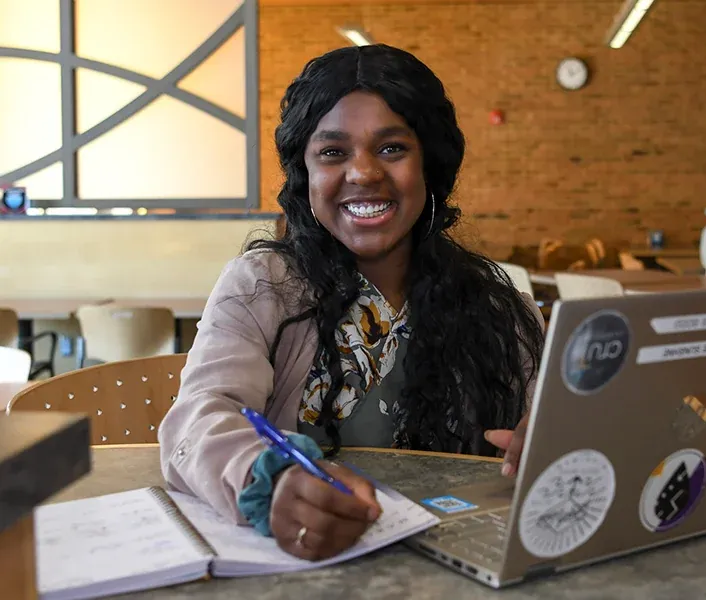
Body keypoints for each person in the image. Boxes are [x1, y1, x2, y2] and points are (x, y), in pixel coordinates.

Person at [158, 43, 545, 562]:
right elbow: (198, 420)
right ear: (305, 173)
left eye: (392, 148)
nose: (363, 173)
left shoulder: (503, 311)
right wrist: (269, 479)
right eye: (333, 153)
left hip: (467, 558)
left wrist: (561, 440)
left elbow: (561, 427)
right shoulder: (262, 285)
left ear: (431, 164)